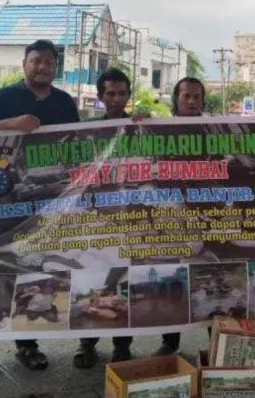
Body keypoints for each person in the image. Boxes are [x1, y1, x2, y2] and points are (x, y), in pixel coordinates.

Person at [0, 39, 80, 379]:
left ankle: (27, 344)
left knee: (34, 274)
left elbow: (79, 144)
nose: (42, 67)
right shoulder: (3, 98)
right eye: (36, 61)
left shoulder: (64, 102)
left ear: (56, 68)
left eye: (48, 62)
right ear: (25, 64)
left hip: (46, 207)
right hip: (3, 205)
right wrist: (11, 124)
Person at [73, 68, 142, 368]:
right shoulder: (86, 130)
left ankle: (122, 347)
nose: (116, 98)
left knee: (124, 278)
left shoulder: (139, 127)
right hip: (95, 215)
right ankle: (86, 343)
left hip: (129, 217)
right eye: (110, 93)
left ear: (128, 95)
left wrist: (149, 123)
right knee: (91, 271)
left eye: (121, 93)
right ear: (100, 96)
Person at [154, 76, 207, 356]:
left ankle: (217, 341)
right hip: (172, 206)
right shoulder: (159, 129)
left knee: (205, 272)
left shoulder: (212, 130)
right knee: (174, 267)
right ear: (176, 99)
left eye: (197, 97)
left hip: (203, 207)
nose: (191, 101)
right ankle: (170, 341)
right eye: (186, 96)